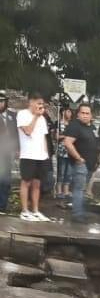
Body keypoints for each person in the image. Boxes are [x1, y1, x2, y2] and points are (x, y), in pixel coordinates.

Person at [61, 104, 100, 223]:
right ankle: (77, 214)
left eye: (87, 113)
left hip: (91, 164)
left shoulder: (92, 127)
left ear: (91, 115)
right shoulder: (74, 126)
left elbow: (96, 144)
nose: (85, 115)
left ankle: (81, 212)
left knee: (82, 189)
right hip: (80, 164)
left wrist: (97, 160)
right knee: (79, 189)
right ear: (78, 114)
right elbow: (67, 143)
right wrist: (78, 158)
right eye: (82, 113)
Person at [16, 93, 51, 222]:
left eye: (42, 103)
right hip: (28, 155)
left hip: (41, 156)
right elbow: (28, 131)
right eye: (38, 103)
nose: (40, 106)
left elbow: (43, 137)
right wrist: (36, 116)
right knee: (26, 182)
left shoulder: (43, 118)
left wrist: (46, 154)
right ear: (31, 102)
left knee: (37, 183)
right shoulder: (22, 114)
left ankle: (35, 210)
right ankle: (24, 211)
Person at [0, 91, 18, 214]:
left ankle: (3, 205)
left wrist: (18, 148)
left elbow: (17, 133)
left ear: (6, 102)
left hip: (8, 152)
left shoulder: (12, 115)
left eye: (1, 101)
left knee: (6, 180)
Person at [55, 106, 74, 204]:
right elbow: (56, 136)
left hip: (70, 152)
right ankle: (59, 190)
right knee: (61, 172)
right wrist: (65, 136)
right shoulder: (59, 123)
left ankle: (66, 190)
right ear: (63, 112)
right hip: (62, 151)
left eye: (70, 112)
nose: (69, 114)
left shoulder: (72, 124)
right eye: (67, 111)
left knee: (69, 173)